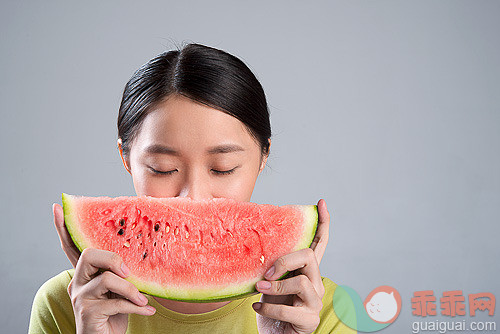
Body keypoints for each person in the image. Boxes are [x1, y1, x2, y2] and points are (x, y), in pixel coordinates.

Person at [29, 43, 355, 334]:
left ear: (262, 156)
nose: (195, 197)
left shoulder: (321, 313)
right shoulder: (66, 306)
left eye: (222, 168)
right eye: (163, 169)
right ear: (126, 158)